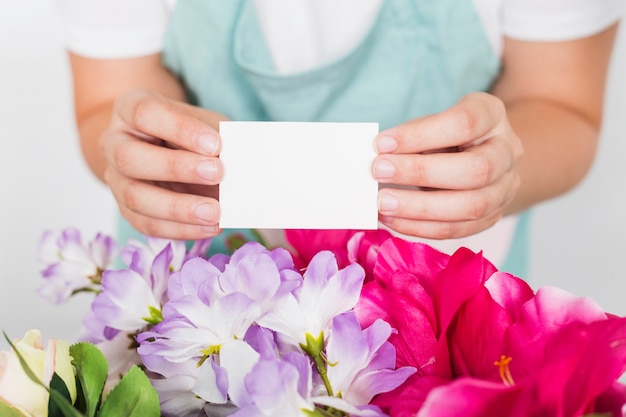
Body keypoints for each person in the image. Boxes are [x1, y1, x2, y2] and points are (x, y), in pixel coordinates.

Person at [56, 0, 623, 277]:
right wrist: (139, 148)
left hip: (447, 317)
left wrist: (496, 168)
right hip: (194, 310)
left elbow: (562, 102)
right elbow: (106, 104)